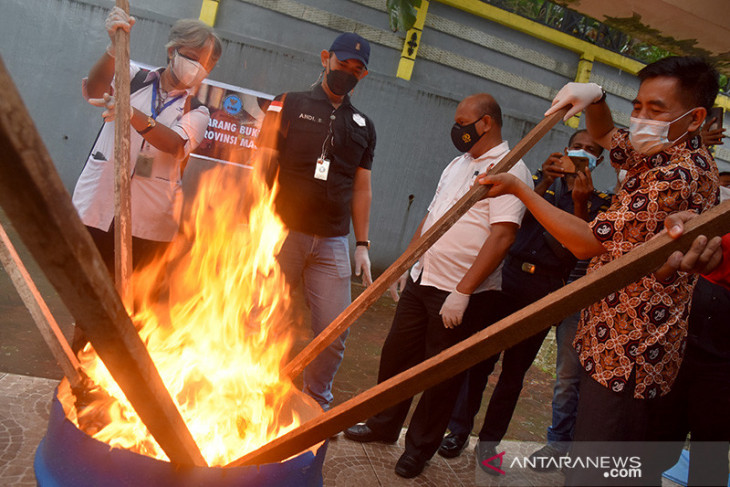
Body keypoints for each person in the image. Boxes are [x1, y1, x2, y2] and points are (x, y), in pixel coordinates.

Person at [478, 56, 720, 485]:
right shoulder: (661, 152)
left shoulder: (676, 175)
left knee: (604, 473)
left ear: (695, 117)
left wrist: (519, 190)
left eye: (656, 109)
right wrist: (596, 97)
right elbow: (607, 134)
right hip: (609, 338)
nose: (641, 118)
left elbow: (588, 241)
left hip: (627, 356)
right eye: (638, 106)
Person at [344, 93, 532, 479]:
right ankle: (384, 424)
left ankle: (419, 448)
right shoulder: (457, 163)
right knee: (396, 358)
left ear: (486, 123)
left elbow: (502, 237)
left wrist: (463, 291)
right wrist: (405, 264)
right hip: (422, 280)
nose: (456, 128)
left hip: (462, 294)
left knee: (440, 377)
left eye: (462, 121)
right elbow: (432, 217)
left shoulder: (512, 170)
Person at [437, 131, 611, 472]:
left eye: (592, 151)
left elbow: (574, 249)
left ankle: (489, 447)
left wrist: (579, 203)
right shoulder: (531, 182)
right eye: (578, 147)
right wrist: (543, 182)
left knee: (514, 374)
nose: (583, 154)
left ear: (600, 161)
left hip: (543, 290)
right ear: (565, 149)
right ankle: (458, 432)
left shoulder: (599, 201)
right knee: (478, 362)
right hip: (506, 279)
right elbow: (512, 222)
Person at [255, 32, 375, 410]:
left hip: (332, 241)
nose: (348, 74)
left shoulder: (364, 126)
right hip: (283, 231)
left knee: (334, 331)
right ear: (325, 58)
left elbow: (362, 188)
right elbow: (261, 164)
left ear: (364, 76)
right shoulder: (286, 103)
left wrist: (362, 244)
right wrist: (254, 220)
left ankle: (316, 402)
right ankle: (254, 391)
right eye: (342, 65)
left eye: (357, 70)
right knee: (265, 317)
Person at [72, 8, 221, 274]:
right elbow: (95, 89)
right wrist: (113, 49)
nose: (198, 68)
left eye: (206, 64)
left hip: (149, 226)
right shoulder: (133, 78)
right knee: (86, 291)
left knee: (133, 308)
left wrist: (130, 113)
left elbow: (175, 144)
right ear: (172, 50)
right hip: (98, 207)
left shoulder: (197, 111)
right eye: (193, 57)